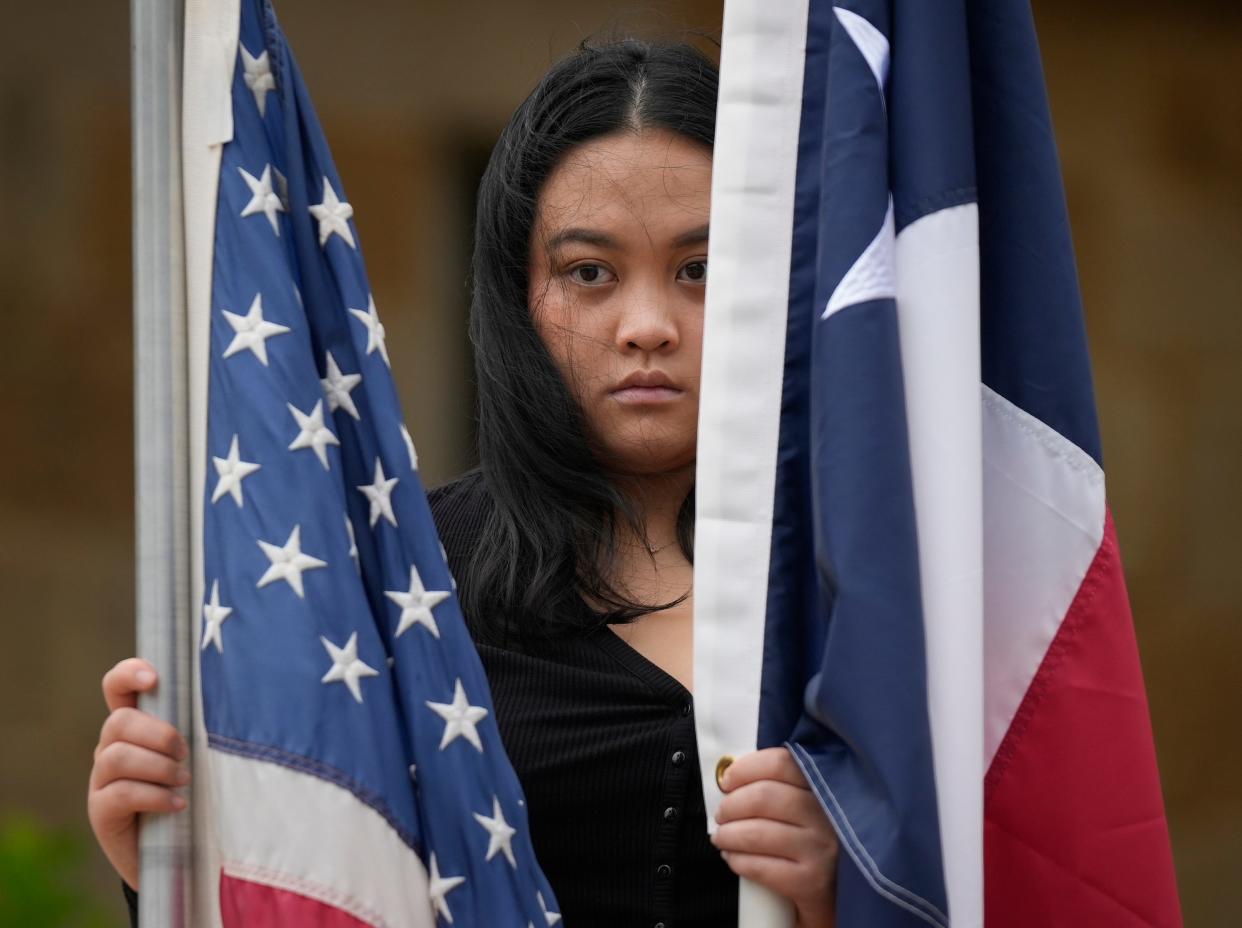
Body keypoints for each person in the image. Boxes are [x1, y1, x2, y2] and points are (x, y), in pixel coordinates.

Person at [88, 37, 840, 927]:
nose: (647, 326)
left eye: (701, 271)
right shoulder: (391, 580)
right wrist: (166, 868)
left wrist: (859, 885)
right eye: (589, 273)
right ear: (517, 296)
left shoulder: (869, 579)